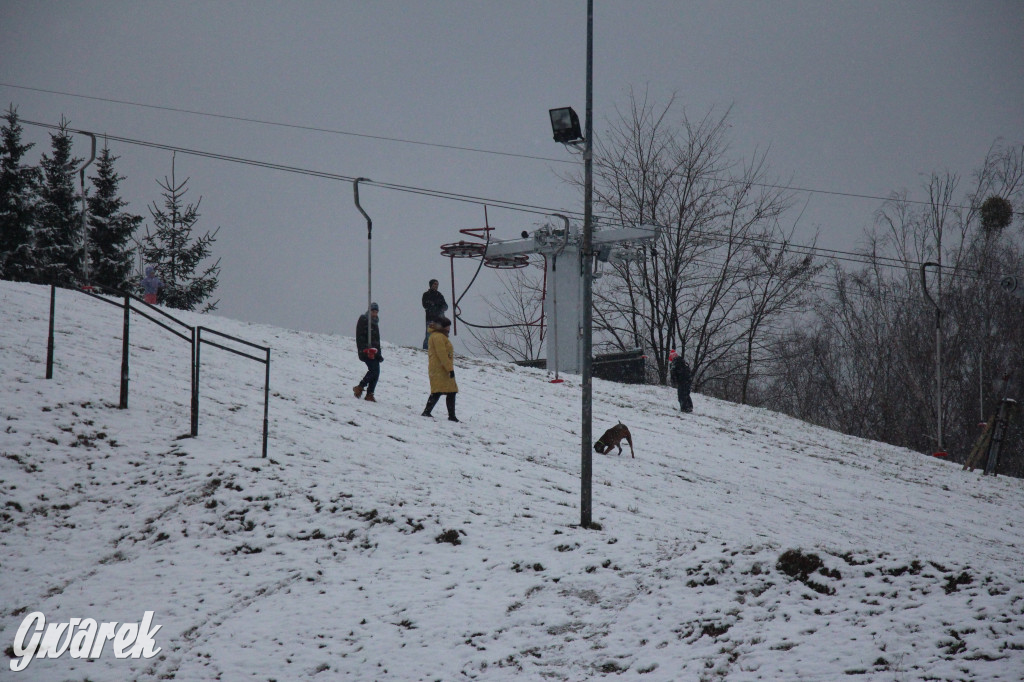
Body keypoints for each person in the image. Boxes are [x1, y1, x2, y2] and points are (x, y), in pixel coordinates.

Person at [421, 316, 459, 422]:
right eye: (447, 326)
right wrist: (449, 369)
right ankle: (429, 412)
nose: (449, 328)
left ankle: (449, 415)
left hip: (440, 368)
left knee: (447, 391)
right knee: (441, 391)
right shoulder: (438, 337)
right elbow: (442, 354)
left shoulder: (439, 336)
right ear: (442, 326)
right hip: (440, 369)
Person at [353, 302, 383, 402]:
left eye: (376, 312)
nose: (374, 314)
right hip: (365, 351)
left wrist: (378, 354)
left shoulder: (375, 322)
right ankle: (360, 387)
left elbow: (376, 340)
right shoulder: (364, 320)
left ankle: (370, 393)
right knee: (373, 370)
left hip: (374, 352)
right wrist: (365, 348)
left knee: (376, 371)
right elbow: (360, 336)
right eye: (373, 311)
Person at [421, 279, 448, 349]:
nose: (436, 286)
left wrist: (440, 308)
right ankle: (425, 350)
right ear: (431, 285)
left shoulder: (440, 295)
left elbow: (445, 306)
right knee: (429, 335)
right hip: (430, 318)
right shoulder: (426, 294)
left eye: (437, 284)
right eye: (435, 284)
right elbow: (425, 305)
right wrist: (434, 305)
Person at [669, 349, 693, 413]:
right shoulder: (682, 361)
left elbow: (673, 372)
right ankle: (689, 407)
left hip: (682, 380)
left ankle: (684, 408)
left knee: (681, 394)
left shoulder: (675, 362)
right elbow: (688, 370)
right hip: (688, 379)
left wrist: (674, 381)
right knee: (686, 393)